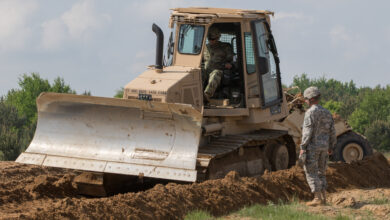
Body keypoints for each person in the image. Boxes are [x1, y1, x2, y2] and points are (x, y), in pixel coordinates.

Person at [300, 86, 337, 206]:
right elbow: (332, 132)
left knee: (311, 172)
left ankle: (317, 198)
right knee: (321, 172)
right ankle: (324, 197)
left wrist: (302, 147)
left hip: (312, 147)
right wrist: (331, 146)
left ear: (310, 99)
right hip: (324, 148)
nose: (305, 101)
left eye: (306, 99)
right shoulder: (327, 113)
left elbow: (307, 132)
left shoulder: (310, 113)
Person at [203, 27, 234, 101]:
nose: (211, 41)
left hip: (219, 72)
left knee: (215, 73)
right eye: (209, 39)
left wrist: (228, 64)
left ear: (218, 38)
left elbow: (231, 61)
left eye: (213, 39)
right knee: (197, 72)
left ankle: (206, 95)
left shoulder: (225, 47)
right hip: (206, 71)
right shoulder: (204, 48)